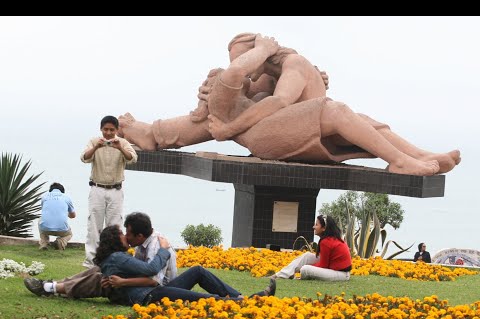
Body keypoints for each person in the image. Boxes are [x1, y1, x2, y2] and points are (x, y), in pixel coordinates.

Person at [118, 34, 459, 176]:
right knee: (336, 110)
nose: (244, 66)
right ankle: (402, 159)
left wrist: (268, 57)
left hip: (284, 133)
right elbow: (256, 91)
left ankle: (417, 156)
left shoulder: (277, 71)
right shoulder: (239, 80)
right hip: (270, 136)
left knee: (357, 116)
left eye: (245, 55)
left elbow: (280, 100)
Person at [96, 225, 276, 305]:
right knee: (205, 299)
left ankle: (240, 297)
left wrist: (119, 284)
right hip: (150, 296)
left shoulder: (112, 260)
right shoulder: (118, 258)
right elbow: (150, 270)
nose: (126, 236)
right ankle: (251, 300)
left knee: (198, 271)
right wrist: (164, 250)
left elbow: (117, 287)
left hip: (154, 291)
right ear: (114, 239)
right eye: (122, 233)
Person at [24, 212, 176, 299]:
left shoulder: (155, 245)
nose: (126, 237)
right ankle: (55, 285)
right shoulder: (138, 246)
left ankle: (51, 288)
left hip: (157, 289)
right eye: (124, 233)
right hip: (140, 285)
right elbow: (138, 269)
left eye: (127, 234)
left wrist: (121, 281)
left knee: (100, 278)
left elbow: (152, 276)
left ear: (140, 236)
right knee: (97, 271)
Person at [81, 115, 138, 268]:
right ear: (101, 129)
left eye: (111, 130)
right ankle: (91, 261)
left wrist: (119, 147)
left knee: (115, 226)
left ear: (117, 130)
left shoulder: (123, 143)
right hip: (97, 188)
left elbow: (133, 158)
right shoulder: (94, 141)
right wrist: (96, 147)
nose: (108, 133)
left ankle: (113, 259)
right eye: (105, 129)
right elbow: (84, 157)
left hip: (116, 190)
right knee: (93, 224)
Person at [271, 215, 352, 281]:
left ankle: (295, 277)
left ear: (324, 228)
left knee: (305, 269)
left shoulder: (326, 242)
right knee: (307, 255)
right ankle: (280, 275)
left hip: (341, 274)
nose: (313, 227)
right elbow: (323, 262)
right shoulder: (329, 239)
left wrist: (303, 268)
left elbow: (323, 265)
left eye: (316, 225)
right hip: (335, 270)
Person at [38, 182, 76, 250]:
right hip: (62, 230)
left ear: (50, 190)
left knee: (41, 220)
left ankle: (44, 243)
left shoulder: (44, 196)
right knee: (69, 234)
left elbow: (45, 211)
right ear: (62, 191)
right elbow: (73, 215)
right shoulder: (66, 197)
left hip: (45, 229)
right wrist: (66, 213)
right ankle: (60, 242)